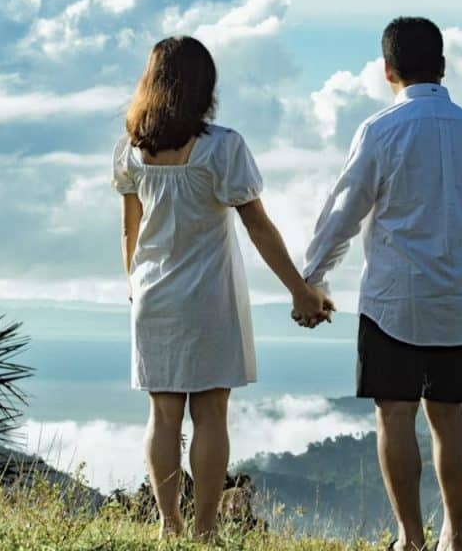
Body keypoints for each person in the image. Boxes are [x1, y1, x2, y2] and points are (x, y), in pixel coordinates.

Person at [112, 36, 332, 542]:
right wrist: (301, 291)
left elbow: (130, 228)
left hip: (151, 294)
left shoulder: (131, 151)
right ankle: (206, 530)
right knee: (210, 412)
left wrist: (134, 285)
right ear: (204, 87)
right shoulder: (222, 147)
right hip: (209, 296)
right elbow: (258, 226)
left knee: (163, 415)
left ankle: (169, 525)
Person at [301, 17, 462, 551]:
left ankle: (410, 540)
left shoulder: (381, 130)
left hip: (393, 299)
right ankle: (455, 537)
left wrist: (312, 279)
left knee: (395, 415)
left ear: (387, 69)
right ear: (442, 65)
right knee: (449, 416)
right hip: (457, 299)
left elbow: (344, 211)